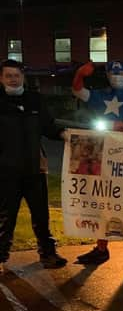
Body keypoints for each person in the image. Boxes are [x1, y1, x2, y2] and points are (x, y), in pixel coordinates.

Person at [71, 60, 123, 269]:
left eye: (121, 73)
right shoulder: (99, 96)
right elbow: (78, 91)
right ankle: (101, 248)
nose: (117, 77)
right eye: (114, 73)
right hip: (102, 155)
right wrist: (79, 74)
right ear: (107, 75)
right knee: (102, 203)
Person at [0, 59, 67, 273]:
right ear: (1, 78)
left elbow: (48, 126)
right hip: (6, 172)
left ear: (23, 77)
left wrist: (63, 134)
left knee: (41, 215)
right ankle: (1, 254)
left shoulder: (35, 100)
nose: (13, 79)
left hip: (35, 169)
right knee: (5, 218)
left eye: (16, 75)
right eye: (8, 75)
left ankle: (48, 254)